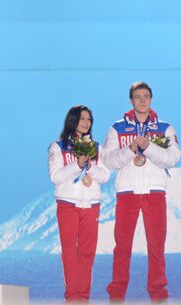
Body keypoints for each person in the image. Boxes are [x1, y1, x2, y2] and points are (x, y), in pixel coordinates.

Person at [104, 81, 180, 304]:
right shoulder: (117, 129)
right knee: (122, 247)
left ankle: (159, 297)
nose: (143, 100)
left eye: (146, 96)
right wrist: (129, 150)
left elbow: (173, 158)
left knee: (156, 246)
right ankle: (116, 297)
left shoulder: (165, 128)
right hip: (127, 192)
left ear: (152, 99)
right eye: (138, 96)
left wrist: (149, 147)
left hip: (155, 192)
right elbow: (109, 161)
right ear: (131, 100)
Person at [48, 105, 110, 303]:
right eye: (82, 118)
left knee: (87, 252)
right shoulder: (58, 147)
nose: (86, 123)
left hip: (91, 204)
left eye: (89, 119)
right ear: (72, 120)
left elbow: (105, 176)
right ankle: (72, 296)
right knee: (69, 251)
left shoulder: (97, 147)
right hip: (68, 204)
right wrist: (77, 164)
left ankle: (83, 296)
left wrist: (89, 166)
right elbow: (56, 177)